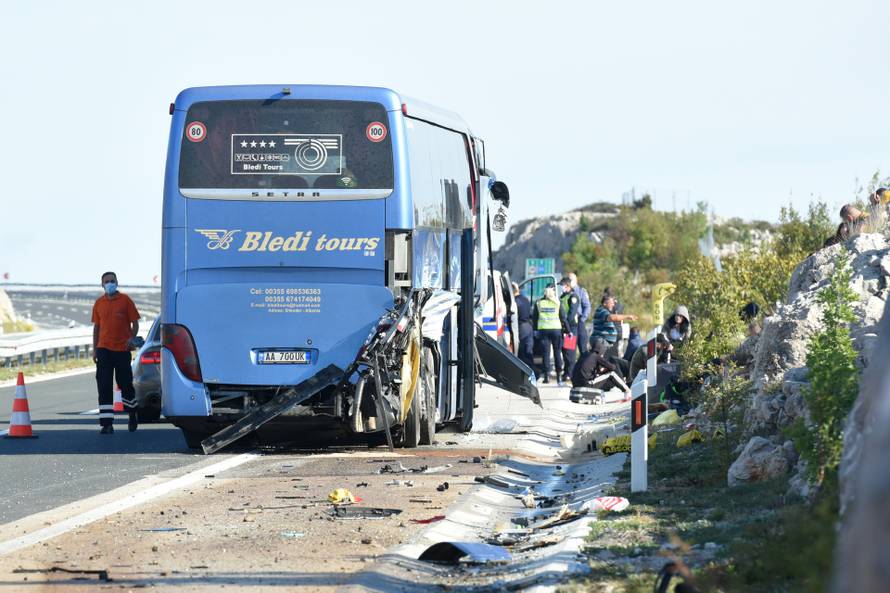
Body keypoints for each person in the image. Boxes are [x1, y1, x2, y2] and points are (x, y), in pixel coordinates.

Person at [91, 272, 141, 434]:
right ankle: (106, 424)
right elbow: (96, 328)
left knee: (125, 384)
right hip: (104, 349)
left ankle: (132, 413)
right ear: (102, 285)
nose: (110, 283)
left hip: (122, 350)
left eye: (112, 281)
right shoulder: (99, 303)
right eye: (107, 281)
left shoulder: (126, 301)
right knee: (104, 385)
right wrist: (95, 349)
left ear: (117, 282)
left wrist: (131, 339)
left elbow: (135, 323)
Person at [531, 284, 567, 385]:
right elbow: (563, 318)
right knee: (557, 352)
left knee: (545, 354)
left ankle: (546, 376)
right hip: (556, 330)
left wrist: (535, 330)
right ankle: (559, 376)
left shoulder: (539, 303)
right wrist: (568, 330)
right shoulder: (557, 303)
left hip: (543, 330)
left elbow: (534, 318)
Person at [559, 277, 580, 381]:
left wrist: (566, 325)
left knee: (570, 353)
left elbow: (571, 314)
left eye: (562, 286)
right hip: (563, 327)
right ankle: (566, 372)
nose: (560, 288)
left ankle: (570, 373)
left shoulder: (573, 297)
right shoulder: (563, 296)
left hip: (570, 327)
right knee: (564, 351)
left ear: (567, 286)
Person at [512, 282, 534, 371]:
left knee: (522, 351)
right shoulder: (526, 299)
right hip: (529, 327)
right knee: (529, 350)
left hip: (521, 327)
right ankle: (532, 371)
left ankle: (525, 371)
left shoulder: (515, 302)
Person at [568, 272, 591, 354]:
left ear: (576, 280)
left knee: (583, 349)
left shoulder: (581, 291)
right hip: (570, 324)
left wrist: (582, 319)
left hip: (579, 322)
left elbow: (587, 306)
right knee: (570, 350)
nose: (569, 281)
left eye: (571, 279)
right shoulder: (566, 293)